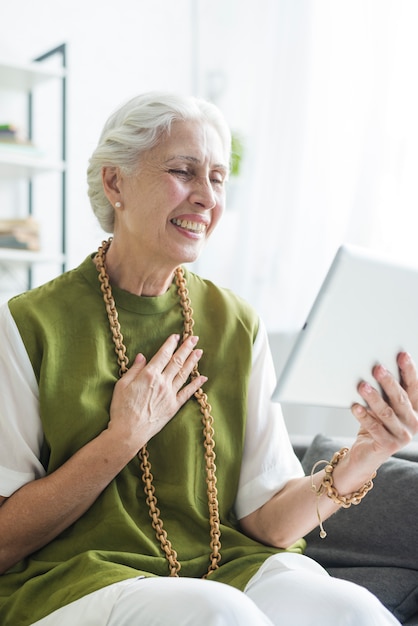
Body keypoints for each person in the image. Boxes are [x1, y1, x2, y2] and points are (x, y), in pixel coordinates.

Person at [0, 92, 416, 626]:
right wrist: (122, 437)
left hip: (227, 566)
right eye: (183, 171)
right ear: (115, 183)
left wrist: (368, 453)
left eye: (217, 178)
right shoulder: (28, 323)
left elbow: (268, 523)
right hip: (76, 577)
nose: (206, 197)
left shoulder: (236, 321)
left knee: (355, 611)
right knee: (218, 614)